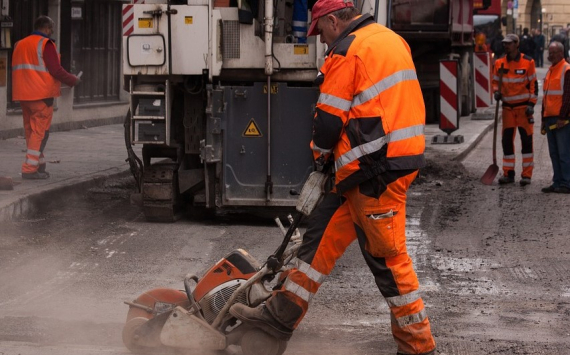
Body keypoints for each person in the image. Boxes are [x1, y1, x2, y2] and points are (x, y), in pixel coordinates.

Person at [230, 0, 437, 354]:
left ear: (332, 20)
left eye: (320, 32)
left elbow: (328, 120)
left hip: (376, 171)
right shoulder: (389, 39)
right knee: (317, 243)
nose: (321, 41)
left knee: (388, 260)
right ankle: (277, 321)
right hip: (372, 166)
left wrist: (320, 160)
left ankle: (418, 345)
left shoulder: (347, 51)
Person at [11, 16, 80, 179]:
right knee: (40, 133)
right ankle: (29, 169)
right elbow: (56, 70)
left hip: (23, 95)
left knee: (31, 131)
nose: (52, 32)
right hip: (41, 95)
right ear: (47, 28)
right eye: (51, 29)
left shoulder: (20, 44)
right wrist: (73, 80)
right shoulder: (46, 44)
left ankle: (38, 163)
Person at [492, 34, 538, 186]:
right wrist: (495, 92)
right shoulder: (499, 63)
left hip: (523, 109)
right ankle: (508, 173)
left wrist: (531, 104)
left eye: (509, 44)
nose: (506, 46)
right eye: (505, 43)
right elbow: (495, 82)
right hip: (507, 109)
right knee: (506, 141)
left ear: (516, 44)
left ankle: (526, 175)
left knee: (526, 141)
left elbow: (534, 85)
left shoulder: (528, 62)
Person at [540, 41, 570, 193]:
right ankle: (557, 182)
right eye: (549, 52)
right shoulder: (551, 71)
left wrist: (562, 117)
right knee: (554, 153)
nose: (549, 55)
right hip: (550, 118)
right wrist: (543, 120)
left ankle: (566, 183)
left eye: (553, 53)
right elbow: (546, 97)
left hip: (561, 120)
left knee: (564, 152)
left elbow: (567, 97)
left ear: (561, 53)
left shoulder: (566, 69)